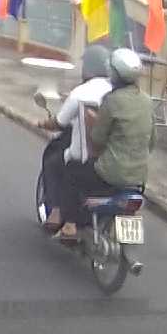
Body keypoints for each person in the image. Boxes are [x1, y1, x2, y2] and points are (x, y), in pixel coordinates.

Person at [55, 48, 156, 242]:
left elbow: (98, 138)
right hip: (139, 177)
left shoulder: (111, 101)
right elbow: (152, 141)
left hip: (110, 173)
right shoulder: (147, 101)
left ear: (113, 73)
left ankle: (70, 225)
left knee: (72, 171)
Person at [40, 45, 113, 232]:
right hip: (117, 156)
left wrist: (43, 123)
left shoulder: (81, 92)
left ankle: (57, 212)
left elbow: (60, 122)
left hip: (90, 157)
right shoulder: (118, 92)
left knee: (54, 163)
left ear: (87, 67)